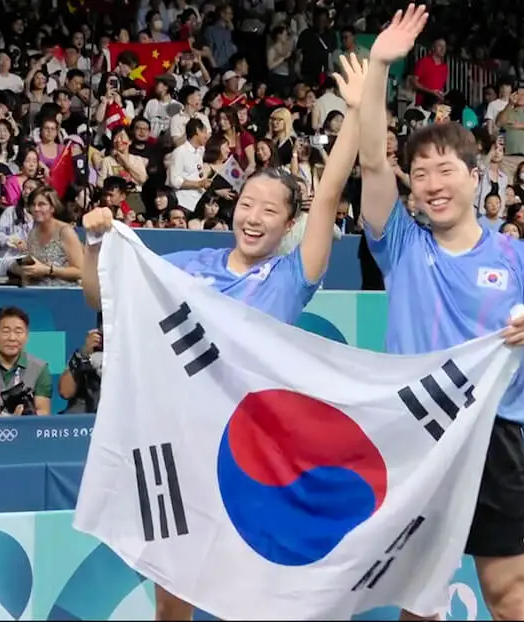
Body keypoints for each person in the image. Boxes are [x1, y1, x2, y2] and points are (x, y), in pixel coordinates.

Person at [81, 54, 367, 622]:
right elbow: (99, 299)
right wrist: (93, 246)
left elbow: (330, 193)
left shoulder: (290, 277)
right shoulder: (188, 266)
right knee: (173, 597)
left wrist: (354, 113)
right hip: (185, 446)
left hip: (257, 453)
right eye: (246, 204)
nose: (253, 216)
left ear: (289, 226)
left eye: (270, 210)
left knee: (260, 593)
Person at [358, 6, 524, 621]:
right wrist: (379, 66)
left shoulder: (522, 260)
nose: (431, 182)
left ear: (475, 177)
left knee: (508, 599)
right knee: (420, 604)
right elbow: (373, 161)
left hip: (494, 440)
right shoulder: (400, 244)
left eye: (445, 169)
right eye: (420, 173)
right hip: (417, 437)